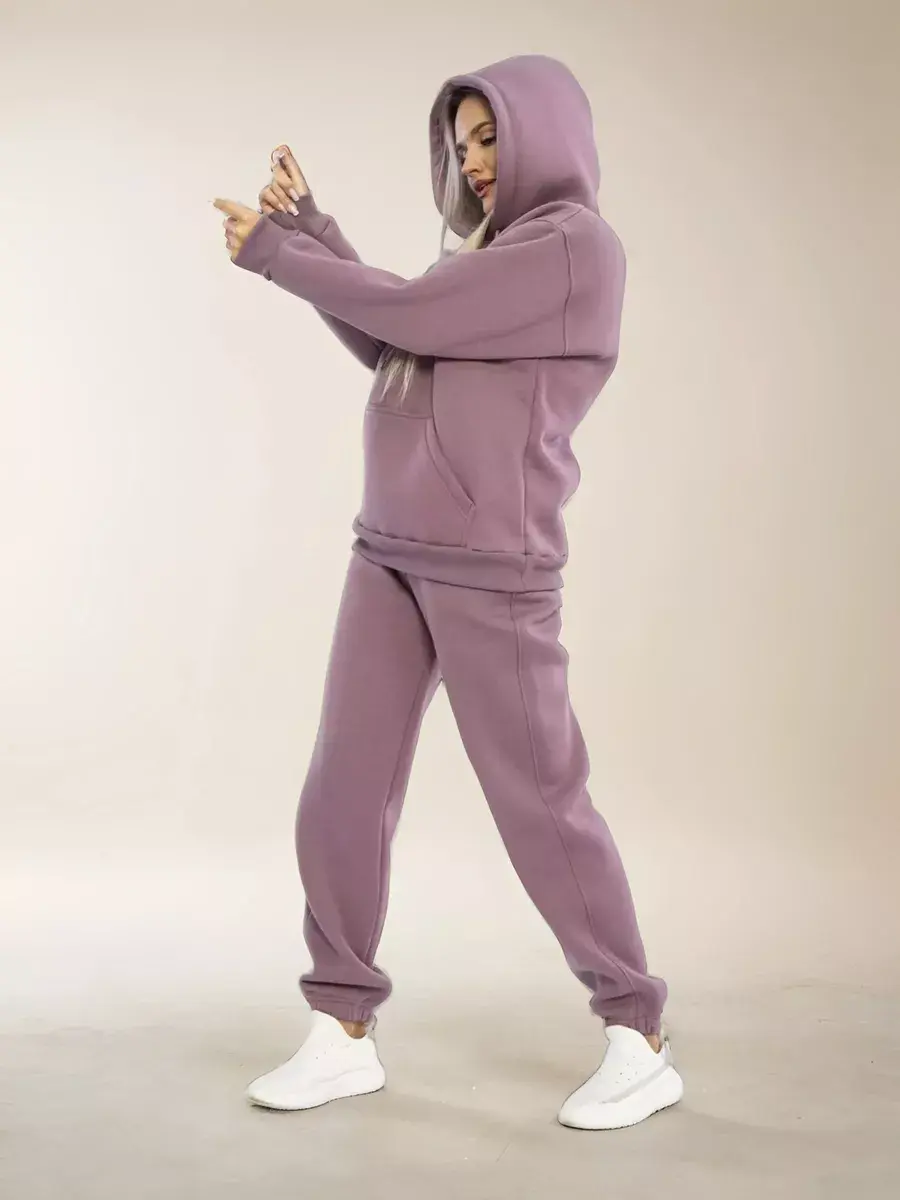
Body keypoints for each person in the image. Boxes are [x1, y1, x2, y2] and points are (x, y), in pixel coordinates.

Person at [213, 53, 683, 1131]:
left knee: (540, 804)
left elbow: (416, 314)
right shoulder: (482, 255)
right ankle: (340, 1027)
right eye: (462, 141)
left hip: (492, 568)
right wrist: (317, 234)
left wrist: (282, 253)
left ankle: (637, 1031)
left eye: (491, 136)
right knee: (342, 789)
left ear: (545, 134)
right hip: (388, 550)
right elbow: (398, 332)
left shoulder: (573, 248)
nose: (472, 161)